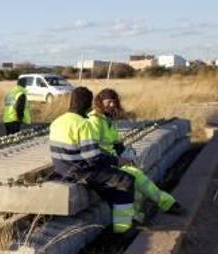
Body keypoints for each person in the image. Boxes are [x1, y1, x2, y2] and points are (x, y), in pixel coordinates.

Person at [49, 87, 136, 234]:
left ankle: (115, 215)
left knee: (109, 186)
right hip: (80, 171)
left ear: (71, 102)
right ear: (89, 105)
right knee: (126, 180)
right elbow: (93, 157)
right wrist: (118, 161)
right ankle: (123, 231)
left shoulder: (57, 121)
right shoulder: (84, 124)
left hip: (61, 169)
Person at [89, 88, 185, 219]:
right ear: (100, 102)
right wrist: (117, 161)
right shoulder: (95, 120)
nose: (112, 105)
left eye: (114, 102)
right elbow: (94, 149)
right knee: (137, 176)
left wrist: (128, 155)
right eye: (109, 102)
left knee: (136, 177)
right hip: (104, 163)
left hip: (114, 160)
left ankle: (138, 215)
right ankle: (167, 204)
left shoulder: (107, 119)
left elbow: (116, 144)